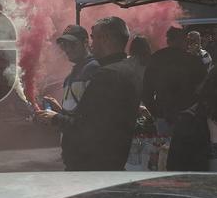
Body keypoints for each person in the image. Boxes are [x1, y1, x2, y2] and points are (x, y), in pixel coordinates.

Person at [36, 17, 141, 170]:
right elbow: (94, 116)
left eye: (93, 37)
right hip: (103, 162)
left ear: (105, 38)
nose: (92, 44)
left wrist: (57, 118)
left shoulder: (106, 74)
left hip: (93, 166)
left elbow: (89, 127)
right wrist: (60, 111)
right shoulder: (125, 68)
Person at [142, 27, 208, 137]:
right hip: (188, 114)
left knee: (165, 150)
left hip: (164, 114)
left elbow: (146, 90)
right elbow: (205, 87)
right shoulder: (192, 60)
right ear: (183, 40)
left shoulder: (156, 58)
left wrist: (156, 112)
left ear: (168, 41)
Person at [38, 25, 98, 117]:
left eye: (73, 44)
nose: (68, 49)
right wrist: (59, 111)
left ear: (85, 43)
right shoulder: (70, 77)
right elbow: (75, 115)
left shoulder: (93, 69)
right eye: (65, 45)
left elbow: (92, 119)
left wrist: (56, 118)